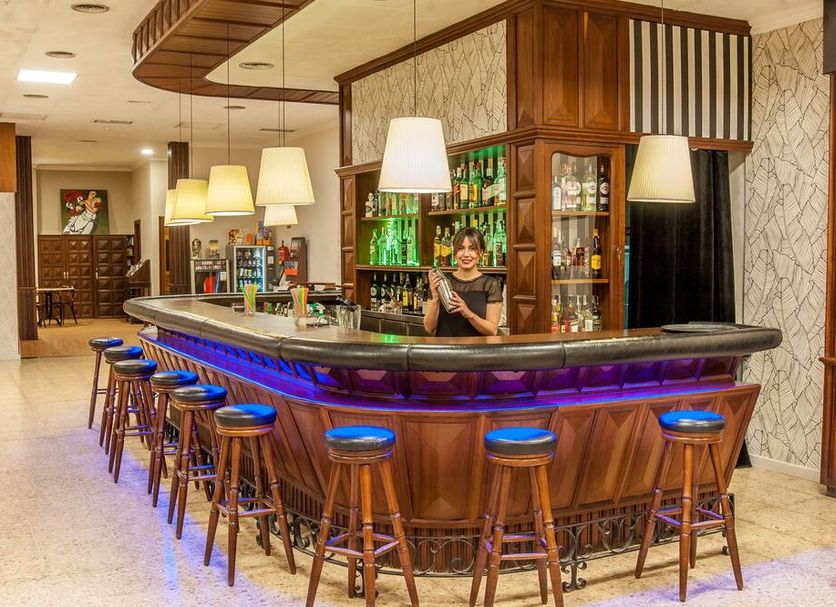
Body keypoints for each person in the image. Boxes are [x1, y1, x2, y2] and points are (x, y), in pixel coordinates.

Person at [423, 227, 502, 337]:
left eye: (472, 248)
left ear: (481, 253)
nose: (466, 254)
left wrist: (468, 314)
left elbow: (492, 331)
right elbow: (429, 328)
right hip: (445, 347)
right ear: (454, 253)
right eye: (460, 248)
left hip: (475, 348)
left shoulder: (490, 285)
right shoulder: (442, 282)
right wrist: (436, 297)